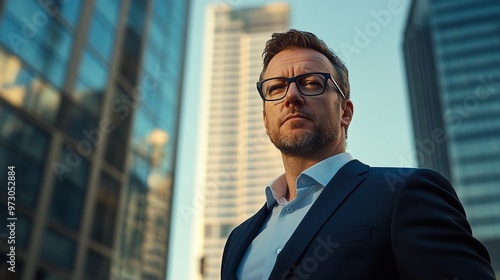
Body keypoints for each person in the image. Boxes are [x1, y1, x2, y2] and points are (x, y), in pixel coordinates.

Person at [220, 29, 496, 280]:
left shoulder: (403, 192)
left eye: (312, 82)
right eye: (276, 87)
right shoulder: (238, 239)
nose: (291, 96)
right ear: (265, 119)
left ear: (345, 112)